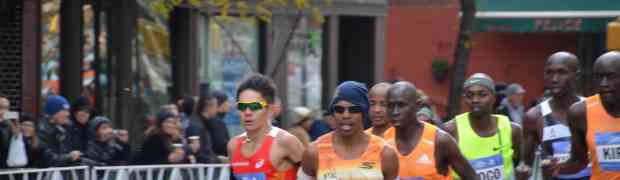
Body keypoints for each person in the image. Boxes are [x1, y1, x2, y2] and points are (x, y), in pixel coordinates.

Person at [300, 81, 399, 180]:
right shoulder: (314, 152)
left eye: (354, 110)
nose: (346, 115)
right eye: (339, 109)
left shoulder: (385, 153)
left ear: (364, 112)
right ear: (333, 113)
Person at [517, 52, 591, 180]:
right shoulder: (534, 117)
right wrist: (522, 170)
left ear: (576, 76)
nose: (555, 79)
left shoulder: (591, 108)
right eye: (549, 72)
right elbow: (525, 165)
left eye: (562, 72)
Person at [549, 51, 620, 179]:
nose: (604, 83)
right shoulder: (580, 113)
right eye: (598, 77)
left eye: (611, 76)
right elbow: (579, 162)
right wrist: (556, 168)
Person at [386, 81, 476, 179]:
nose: (395, 112)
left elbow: (472, 177)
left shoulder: (440, 140)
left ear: (417, 106)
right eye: (390, 106)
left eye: (401, 105)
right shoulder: (383, 142)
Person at [443, 73, 522, 180]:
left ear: (494, 97)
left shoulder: (513, 130)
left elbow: (519, 162)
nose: (475, 100)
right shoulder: (451, 130)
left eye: (482, 94)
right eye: (469, 95)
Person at [228, 74, 304, 179]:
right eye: (242, 106)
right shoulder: (233, 145)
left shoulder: (285, 141)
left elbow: (313, 174)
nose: (247, 112)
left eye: (255, 106)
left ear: (270, 109)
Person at [38, 95, 83, 167]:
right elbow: (49, 160)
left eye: (67, 111)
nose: (67, 114)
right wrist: (70, 157)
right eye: (64, 110)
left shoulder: (62, 128)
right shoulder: (42, 131)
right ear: (53, 112)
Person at [186, 95, 220, 163]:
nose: (217, 110)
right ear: (208, 107)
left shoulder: (203, 123)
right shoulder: (196, 125)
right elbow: (198, 154)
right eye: (216, 106)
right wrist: (218, 160)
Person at [205, 90, 231, 157]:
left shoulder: (210, 120)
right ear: (220, 105)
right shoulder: (217, 123)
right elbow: (221, 146)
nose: (229, 105)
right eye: (227, 102)